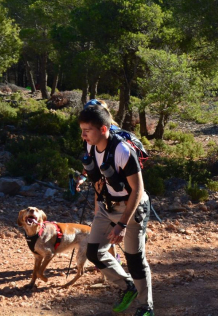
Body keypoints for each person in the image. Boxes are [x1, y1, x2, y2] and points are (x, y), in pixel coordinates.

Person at [79, 104, 153, 315]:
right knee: (94, 251)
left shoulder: (121, 150)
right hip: (107, 204)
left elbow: (138, 190)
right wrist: (97, 209)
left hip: (132, 207)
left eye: (87, 130)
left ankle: (146, 307)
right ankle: (126, 286)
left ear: (103, 129)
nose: (83, 135)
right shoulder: (90, 146)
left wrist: (121, 225)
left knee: (134, 257)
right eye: (82, 130)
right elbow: (97, 180)